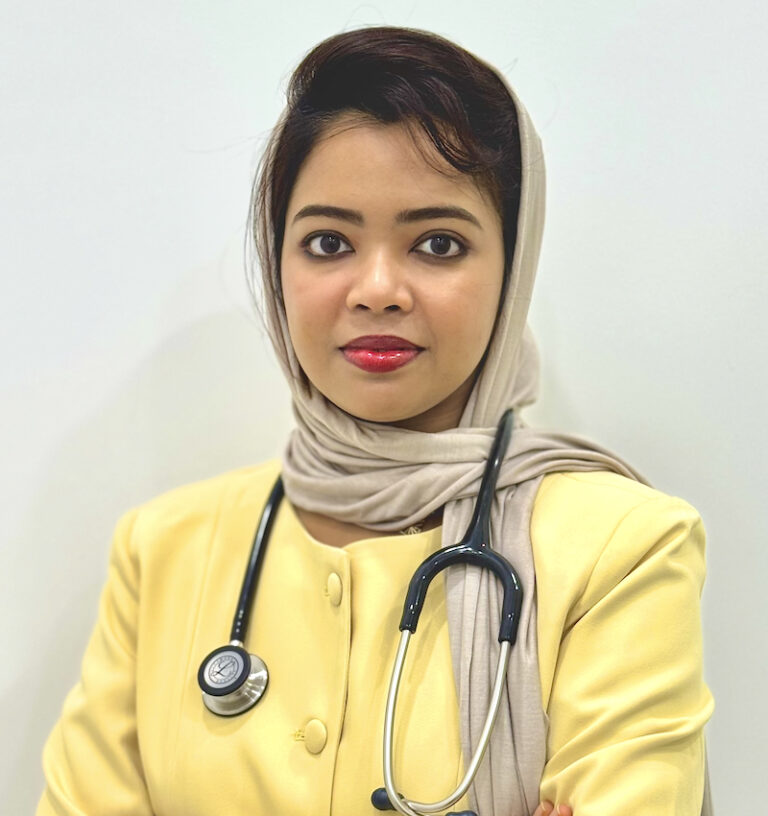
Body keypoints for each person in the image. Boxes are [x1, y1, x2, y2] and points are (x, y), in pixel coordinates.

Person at [35, 25, 714, 816]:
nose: (378, 290)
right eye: (328, 242)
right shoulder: (162, 551)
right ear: (276, 264)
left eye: (438, 244)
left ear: (512, 268)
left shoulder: (621, 551)